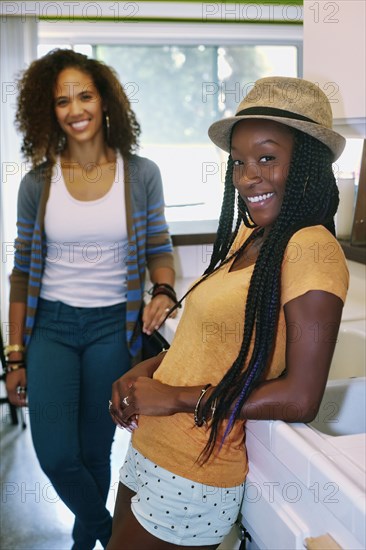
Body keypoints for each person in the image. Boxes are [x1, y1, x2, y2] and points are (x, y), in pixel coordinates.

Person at [107, 76, 349, 550]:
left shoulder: (312, 248)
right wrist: (146, 370)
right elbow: (207, 346)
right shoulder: (251, 236)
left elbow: (301, 398)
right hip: (151, 448)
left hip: (192, 476)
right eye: (238, 162)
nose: (245, 176)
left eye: (266, 158)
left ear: (306, 162)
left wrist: (176, 398)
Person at [5, 48, 177, 549]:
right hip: (51, 330)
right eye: (62, 100)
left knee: (95, 449)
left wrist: (163, 288)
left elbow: (159, 248)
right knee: (57, 454)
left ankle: (84, 544)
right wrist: (15, 355)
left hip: (112, 329)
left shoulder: (141, 174)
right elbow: (21, 276)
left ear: (104, 102)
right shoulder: (38, 184)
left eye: (84, 95)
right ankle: (107, 535)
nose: (75, 108)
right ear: (49, 110)